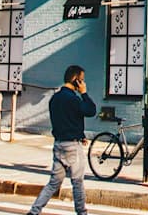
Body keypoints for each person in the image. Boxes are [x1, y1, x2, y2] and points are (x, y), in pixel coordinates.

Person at [28, 65, 97, 215]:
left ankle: (34, 211)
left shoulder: (55, 98)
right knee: (77, 181)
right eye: (82, 80)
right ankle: (82, 213)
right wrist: (84, 94)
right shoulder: (74, 99)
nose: (83, 83)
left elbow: (67, 119)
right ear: (76, 80)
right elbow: (91, 110)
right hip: (72, 146)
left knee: (54, 183)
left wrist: (80, 134)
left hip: (58, 144)